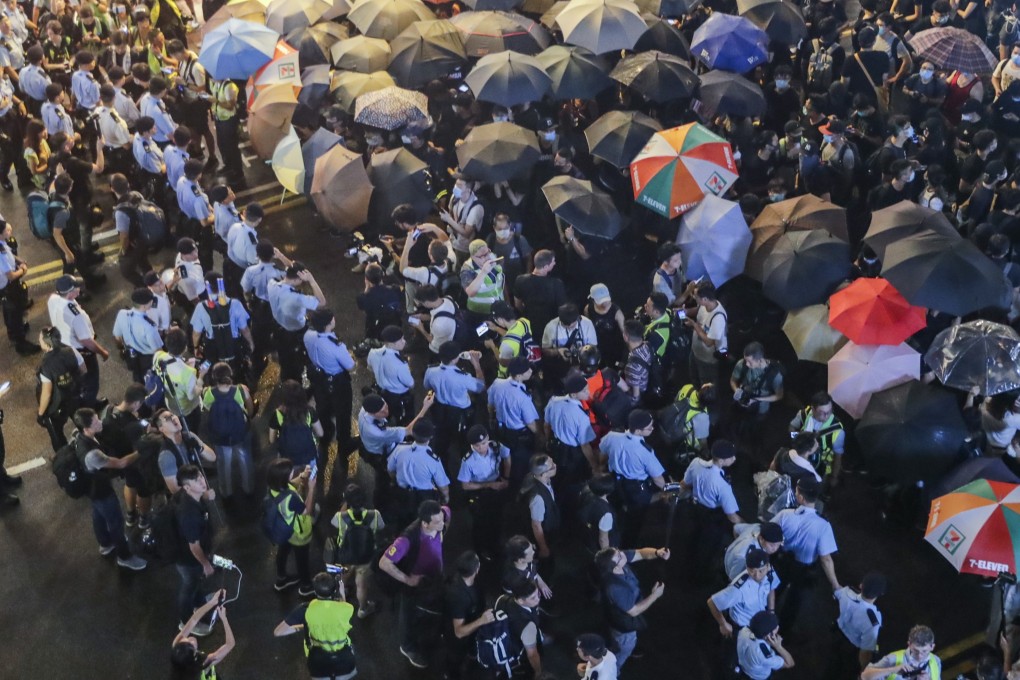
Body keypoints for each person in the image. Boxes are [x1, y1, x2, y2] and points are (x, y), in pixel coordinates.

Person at [71, 407, 148, 570]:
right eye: (96, 421)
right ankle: (124, 556)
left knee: (98, 515)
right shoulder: (92, 455)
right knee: (116, 522)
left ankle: (105, 544)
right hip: (101, 490)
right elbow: (121, 463)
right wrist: (141, 450)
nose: (100, 421)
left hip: (91, 488)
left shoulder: (78, 437)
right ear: (86, 429)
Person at [378, 500, 451, 670]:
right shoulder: (407, 539)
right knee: (408, 615)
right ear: (425, 523)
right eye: (437, 522)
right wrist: (408, 580)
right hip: (415, 586)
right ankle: (407, 646)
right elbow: (384, 562)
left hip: (434, 579)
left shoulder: (444, 513)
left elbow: (448, 517)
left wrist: (442, 533)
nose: (442, 523)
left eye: (441, 519)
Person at [772, 477, 841, 634]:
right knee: (794, 602)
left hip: (782, 561)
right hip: (804, 569)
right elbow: (825, 558)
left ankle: (763, 618)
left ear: (801, 497)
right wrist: (835, 584)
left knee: (773, 591)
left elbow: (770, 531)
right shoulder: (823, 526)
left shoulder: (785, 514)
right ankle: (782, 633)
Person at [595, 545, 670, 672]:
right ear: (616, 567)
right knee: (623, 650)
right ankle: (611, 671)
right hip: (623, 630)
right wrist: (654, 596)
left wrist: (657, 553)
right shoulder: (615, 588)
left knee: (615, 643)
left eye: (619, 551)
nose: (622, 554)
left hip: (616, 616)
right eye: (619, 556)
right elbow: (634, 611)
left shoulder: (617, 562)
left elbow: (640, 553)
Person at [274, 571, 357, 680]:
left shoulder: (305, 609)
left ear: (315, 590)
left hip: (318, 662)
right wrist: (341, 590)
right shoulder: (347, 609)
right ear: (334, 590)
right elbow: (342, 605)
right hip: (344, 661)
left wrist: (302, 627)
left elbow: (278, 632)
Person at [602, 409, 666, 546]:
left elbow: (602, 452)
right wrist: (666, 489)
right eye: (649, 428)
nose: (652, 429)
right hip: (636, 488)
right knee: (635, 520)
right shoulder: (645, 451)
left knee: (613, 510)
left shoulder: (612, 436)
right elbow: (658, 479)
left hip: (614, 481)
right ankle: (627, 546)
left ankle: (610, 534)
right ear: (638, 431)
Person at [681, 439, 743, 574]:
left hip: (694, 509)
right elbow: (732, 516)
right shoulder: (723, 485)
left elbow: (684, 484)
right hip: (711, 518)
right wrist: (745, 525)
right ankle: (699, 575)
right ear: (721, 460)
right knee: (707, 548)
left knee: (693, 538)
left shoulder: (696, 463)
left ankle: (686, 562)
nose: (734, 458)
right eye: (731, 457)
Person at [47, 275, 109, 409]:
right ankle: (89, 406)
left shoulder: (53, 299)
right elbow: (86, 340)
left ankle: (84, 400)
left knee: (79, 379)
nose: (79, 289)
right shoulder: (76, 316)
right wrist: (102, 352)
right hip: (81, 352)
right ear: (70, 293)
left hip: (64, 346)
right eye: (77, 287)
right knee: (91, 381)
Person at [545, 372, 600, 520]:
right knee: (571, 487)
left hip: (556, 447)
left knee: (556, 480)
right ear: (575, 394)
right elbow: (585, 445)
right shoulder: (579, 415)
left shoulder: (554, 401)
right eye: (584, 391)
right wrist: (595, 466)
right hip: (572, 455)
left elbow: (547, 424)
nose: (588, 392)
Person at [99, 384, 152, 529]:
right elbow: (143, 439)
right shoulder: (133, 426)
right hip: (135, 460)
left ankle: (130, 514)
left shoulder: (109, 411)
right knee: (144, 490)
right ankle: (144, 518)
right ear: (136, 403)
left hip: (119, 459)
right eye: (140, 404)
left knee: (130, 483)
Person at [328, 483, 384, 618]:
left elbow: (333, 523)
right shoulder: (374, 515)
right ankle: (363, 609)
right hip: (366, 555)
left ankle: (341, 600)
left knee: (343, 578)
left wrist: (345, 504)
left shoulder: (340, 517)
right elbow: (381, 527)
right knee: (361, 585)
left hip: (346, 554)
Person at [305, 308, 355, 456]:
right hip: (337, 382)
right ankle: (344, 443)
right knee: (343, 413)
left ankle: (325, 433)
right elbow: (350, 366)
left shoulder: (308, 336)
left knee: (322, 405)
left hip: (318, 378)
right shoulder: (336, 346)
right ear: (329, 322)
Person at [424, 340, 485, 459]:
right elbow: (481, 387)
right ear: (455, 359)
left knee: (442, 439)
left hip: (439, 410)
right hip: (460, 413)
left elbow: (426, 386)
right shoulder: (463, 377)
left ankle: (443, 460)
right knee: (463, 439)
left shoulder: (430, 371)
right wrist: (476, 364)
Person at [200, 362, 254, 499]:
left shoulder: (209, 394)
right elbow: (250, 407)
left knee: (224, 463)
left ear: (213, 377)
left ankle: (226, 491)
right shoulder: (240, 390)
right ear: (230, 374)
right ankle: (248, 488)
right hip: (239, 433)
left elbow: (206, 409)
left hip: (220, 437)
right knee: (244, 459)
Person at [488, 356, 543, 489]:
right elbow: (531, 423)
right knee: (520, 468)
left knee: (504, 460)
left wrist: (491, 418)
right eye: (527, 370)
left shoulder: (497, 383)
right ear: (519, 375)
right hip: (519, 438)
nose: (530, 371)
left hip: (501, 432)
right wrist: (540, 436)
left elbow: (490, 405)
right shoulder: (522, 397)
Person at [174, 464, 217, 632]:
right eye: (196, 480)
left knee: (195, 581)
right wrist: (206, 564)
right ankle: (186, 622)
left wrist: (204, 494)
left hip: (192, 555)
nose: (202, 481)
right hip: (187, 559)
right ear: (186, 487)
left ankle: (200, 603)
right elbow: (194, 546)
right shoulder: (189, 514)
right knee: (189, 586)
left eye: (200, 477)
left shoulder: (191, 497)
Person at [457, 424, 510, 560]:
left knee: (497, 519)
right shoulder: (468, 460)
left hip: (496, 487)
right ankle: (480, 550)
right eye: (477, 445)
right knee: (481, 523)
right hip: (480, 492)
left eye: (484, 443)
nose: (482, 448)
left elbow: (507, 456)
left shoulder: (496, 446)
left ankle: (495, 545)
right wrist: (489, 485)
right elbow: (465, 485)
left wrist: (506, 477)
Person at [267, 457, 316, 597]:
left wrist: (301, 477)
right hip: (298, 533)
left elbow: (289, 484)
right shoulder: (291, 498)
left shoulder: (273, 489)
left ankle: (281, 578)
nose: (292, 472)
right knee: (302, 559)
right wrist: (311, 489)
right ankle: (306, 586)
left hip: (283, 529)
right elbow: (307, 510)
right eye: (290, 471)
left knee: (283, 551)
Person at [708, 548, 780, 642]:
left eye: (761, 571)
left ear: (768, 566)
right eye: (752, 571)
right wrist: (723, 624)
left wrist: (771, 612)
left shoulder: (770, 572)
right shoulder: (739, 588)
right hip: (741, 629)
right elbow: (712, 602)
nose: (757, 575)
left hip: (758, 625)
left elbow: (771, 587)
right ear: (747, 567)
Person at [268, 263, 325, 383]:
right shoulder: (297, 298)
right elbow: (322, 302)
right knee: (298, 361)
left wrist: (284, 259)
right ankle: (298, 383)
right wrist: (312, 281)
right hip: (295, 333)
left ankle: (286, 378)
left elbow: (291, 268)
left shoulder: (272, 284)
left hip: (278, 327)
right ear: (296, 279)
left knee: (284, 358)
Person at [388, 418, 451, 526]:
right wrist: (445, 498)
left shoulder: (400, 449)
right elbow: (443, 487)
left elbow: (390, 470)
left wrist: (396, 480)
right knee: (422, 524)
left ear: (413, 433)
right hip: (424, 498)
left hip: (402, 494)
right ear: (431, 437)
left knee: (402, 522)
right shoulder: (433, 460)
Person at [828, 572, 887, 679]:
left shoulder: (847, 592)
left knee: (831, 666)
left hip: (836, 636)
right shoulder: (873, 621)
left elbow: (837, 590)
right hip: (851, 650)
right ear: (880, 594)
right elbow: (865, 651)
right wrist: (864, 670)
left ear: (861, 585)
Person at [445, 551, 493, 680]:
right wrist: (481, 621)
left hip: (472, 625)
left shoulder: (470, 581)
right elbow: (459, 632)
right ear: (476, 570)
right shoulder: (459, 596)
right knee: (455, 660)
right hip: (458, 640)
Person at [35, 325, 84, 450]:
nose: (39, 341)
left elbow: (46, 393)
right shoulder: (70, 350)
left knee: (56, 433)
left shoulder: (46, 365)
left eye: (40, 339)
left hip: (57, 405)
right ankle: (89, 446)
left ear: (47, 344)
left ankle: (65, 456)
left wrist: (41, 414)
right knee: (83, 424)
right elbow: (83, 370)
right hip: (75, 396)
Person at [171, 589, 235, 679]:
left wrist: (212, 602)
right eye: (191, 644)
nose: (190, 638)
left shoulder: (177, 648)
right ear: (194, 656)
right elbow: (229, 644)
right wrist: (224, 619)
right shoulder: (205, 663)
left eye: (185, 640)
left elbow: (193, 620)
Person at [788, 392, 846, 487]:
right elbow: (791, 427)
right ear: (813, 408)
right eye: (822, 413)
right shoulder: (803, 414)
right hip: (801, 458)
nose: (826, 416)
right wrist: (797, 440)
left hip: (822, 466)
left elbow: (838, 456)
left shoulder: (837, 431)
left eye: (829, 411)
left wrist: (834, 477)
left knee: (818, 486)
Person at [156, 409, 216, 494]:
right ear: (161, 428)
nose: (173, 418)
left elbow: (212, 457)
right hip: (189, 497)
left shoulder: (189, 435)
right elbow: (176, 490)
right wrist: (199, 494)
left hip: (199, 484)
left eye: (173, 415)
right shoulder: (166, 455)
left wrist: (199, 447)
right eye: (167, 418)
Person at [1, 222, 38, 355]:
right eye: (7, 230)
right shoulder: (0, 253)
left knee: (10, 311)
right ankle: (21, 345)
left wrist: (18, 260)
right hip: (8, 288)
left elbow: (10, 253)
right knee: (15, 313)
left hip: (7, 288)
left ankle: (14, 333)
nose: (10, 232)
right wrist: (23, 270)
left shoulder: (2, 243)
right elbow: (10, 276)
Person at [112, 287, 163, 383]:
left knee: (137, 377)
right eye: (150, 301)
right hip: (148, 359)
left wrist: (122, 349)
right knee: (151, 380)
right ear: (144, 306)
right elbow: (158, 351)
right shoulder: (149, 327)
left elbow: (117, 337)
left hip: (131, 354)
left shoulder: (122, 314)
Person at [514, 249, 568, 339]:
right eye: (553, 262)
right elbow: (562, 309)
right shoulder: (556, 284)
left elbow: (517, 304)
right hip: (550, 327)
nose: (554, 263)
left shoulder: (520, 280)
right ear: (546, 266)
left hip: (528, 326)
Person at [367, 325, 414, 425]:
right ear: (391, 343)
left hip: (383, 392)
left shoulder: (373, 353)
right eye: (400, 340)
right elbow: (410, 383)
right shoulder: (400, 364)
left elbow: (370, 368)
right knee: (404, 417)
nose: (404, 341)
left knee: (386, 413)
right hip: (399, 395)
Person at [861, 625, 941, 680]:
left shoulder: (935, 661)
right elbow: (864, 676)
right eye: (916, 651)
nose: (919, 656)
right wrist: (892, 670)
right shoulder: (893, 659)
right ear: (909, 644)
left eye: (924, 651)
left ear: (932, 647)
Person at [521, 454, 560, 564]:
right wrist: (543, 548)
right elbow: (536, 525)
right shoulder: (537, 498)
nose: (555, 465)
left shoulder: (533, 476)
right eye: (552, 466)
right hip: (544, 532)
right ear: (543, 474)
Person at [735, 610, 795, 678]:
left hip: (745, 665)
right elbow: (790, 663)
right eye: (775, 627)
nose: (777, 627)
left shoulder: (743, 631)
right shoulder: (763, 655)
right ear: (768, 635)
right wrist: (779, 647)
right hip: (757, 676)